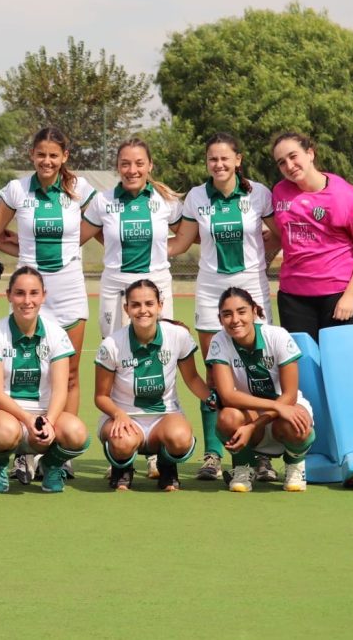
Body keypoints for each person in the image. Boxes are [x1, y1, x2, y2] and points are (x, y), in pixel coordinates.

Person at [168, 132, 277, 482]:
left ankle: (261, 456)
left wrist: (263, 260)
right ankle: (214, 454)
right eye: (212, 159)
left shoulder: (259, 193)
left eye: (225, 158)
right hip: (210, 291)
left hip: (252, 289)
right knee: (216, 376)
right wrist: (135, 247)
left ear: (238, 160)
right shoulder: (197, 196)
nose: (218, 164)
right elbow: (181, 242)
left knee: (258, 372)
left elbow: (279, 233)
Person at [0, 126, 96, 479]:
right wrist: (21, 249)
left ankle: (59, 452)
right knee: (25, 369)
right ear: (31, 155)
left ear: (65, 156)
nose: (47, 161)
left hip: (69, 290)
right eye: (41, 154)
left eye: (54, 155)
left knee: (69, 375)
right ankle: (24, 450)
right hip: (30, 291)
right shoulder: (17, 190)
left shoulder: (80, 189)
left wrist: (71, 248)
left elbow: (100, 223)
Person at [82, 137, 183, 480]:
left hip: (157, 284)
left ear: (150, 165)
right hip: (115, 287)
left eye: (139, 163)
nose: (132, 169)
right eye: (125, 163)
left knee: (161, 358)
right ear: (117, 167)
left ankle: (157, 448)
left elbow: (188, 236)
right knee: (116, 360)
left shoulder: (166, 201)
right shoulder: (103, 201)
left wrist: (163, 253)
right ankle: (119, 450)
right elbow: (82, 235)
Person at [94, 280, 215, 491]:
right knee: (121, 443)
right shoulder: (112, 344)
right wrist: (118, 414)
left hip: (164, 416)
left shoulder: (177, 335)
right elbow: (101, 396)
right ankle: (122, 467)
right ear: (126, 309)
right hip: (125, 417)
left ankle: (166, 466)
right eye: (136, 305)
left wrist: (213, 399)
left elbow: (193, 378)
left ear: (160, 305)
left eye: (149, 304)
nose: (143, 310)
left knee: (181, 439)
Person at [0, 267, 89, 493]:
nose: (27, 301)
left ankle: (51, 465)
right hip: (2, 412)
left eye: (34, 293)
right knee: (6, 432)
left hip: (44, 412)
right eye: (19, 293)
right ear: (8, 295)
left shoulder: (56, 334)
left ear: (43, 296)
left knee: (77, 433)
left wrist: (49, 421)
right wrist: (28, 419)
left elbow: (60, 390)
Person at [207, 287, 316, 492]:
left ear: (254, 312)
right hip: (254, 411)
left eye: (241, 312)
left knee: (296, 421)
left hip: (284, 409)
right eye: (227, 314)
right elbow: (227, 396)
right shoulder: (219, 341)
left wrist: (256, 424)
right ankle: (243, 467)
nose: (235, 320)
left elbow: (290, 395)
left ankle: (295, 465)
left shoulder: (277, 336)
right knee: (228, 418)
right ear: (220, 318)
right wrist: (270, 410)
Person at [270, 131, 353, 341]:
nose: (289, 166)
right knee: (303, 363)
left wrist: (350, 296)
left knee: (342, 362)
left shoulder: (344, 195)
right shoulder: (279, 192)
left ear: (310, 153)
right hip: (294, 298)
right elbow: (283, 233)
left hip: (339, 295)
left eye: (293, 156)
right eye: (281, 162)